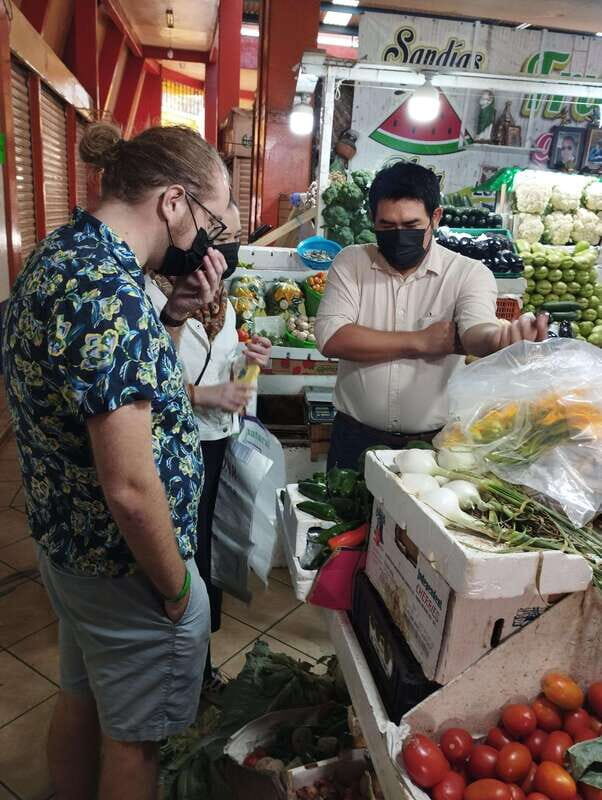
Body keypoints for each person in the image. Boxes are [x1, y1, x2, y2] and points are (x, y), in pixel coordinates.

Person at [1, 122, 231, 800]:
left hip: (70, 544)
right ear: (172, 202)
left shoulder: (65, 254)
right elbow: (131, 488)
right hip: (124, 564)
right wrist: (178, 589)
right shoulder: (112, 294)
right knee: (136, 742)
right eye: (210, 221)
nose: (209, 242)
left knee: (84, 697)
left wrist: (176, 316)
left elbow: (116, 385)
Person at [315, 162, 548, 471]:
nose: (399, 236)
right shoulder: (352, 262)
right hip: (354, 438)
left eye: (412, 226)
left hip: (433, 446)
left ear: (435, 217)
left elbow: (475, 331)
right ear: (373, 220)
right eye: (386, 226)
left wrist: (500, 339)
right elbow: (332, 338)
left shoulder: (468, 274)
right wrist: (421, 341)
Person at [145, 199, 272, 692]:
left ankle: (199, 664)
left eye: (236, 238)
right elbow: (152, 383)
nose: (230, 249)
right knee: (180, 556)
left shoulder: (224, 298)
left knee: (209, 552)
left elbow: (230, 376)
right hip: (177, 449)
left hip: (218, 443)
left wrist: (249, 363)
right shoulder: (150, 297)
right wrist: (203, 394)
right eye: (222, 237)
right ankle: (178, 670)